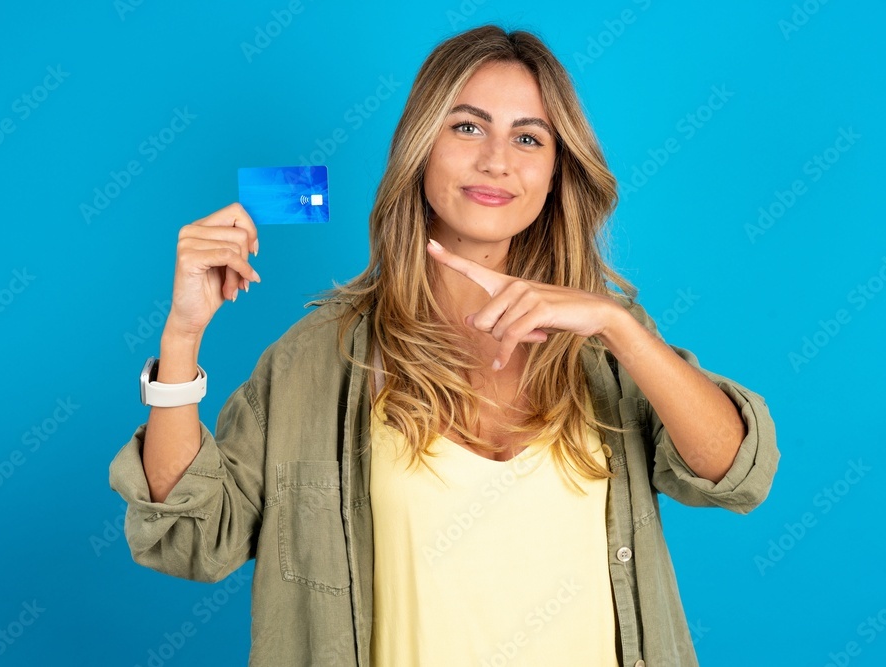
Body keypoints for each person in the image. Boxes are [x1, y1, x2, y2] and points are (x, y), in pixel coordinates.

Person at [109, 24, 779, 667]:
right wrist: (182, 335)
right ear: (420, 149)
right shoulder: (316, 358)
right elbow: (187, 538)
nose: (496, 160)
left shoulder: (605, 340)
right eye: (467, 126)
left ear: (555, 174)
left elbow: (736, 472)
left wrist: (619, 325)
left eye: (528, 138)